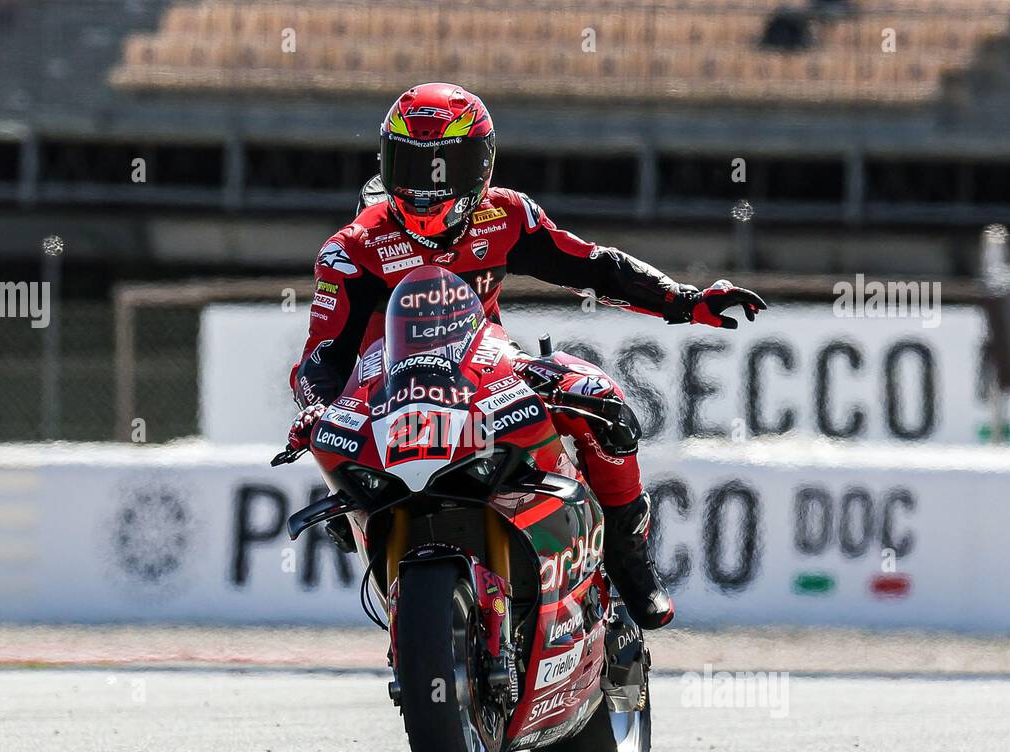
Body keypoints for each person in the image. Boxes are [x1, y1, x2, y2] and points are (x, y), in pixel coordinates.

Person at [287, 83, 766, 630]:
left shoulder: (507, 215)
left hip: (485, 372)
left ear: (481, 164)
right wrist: (315, 408)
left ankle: (629, 561)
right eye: (413, 166)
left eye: (445, 167)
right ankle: (370, 533)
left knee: (601, 403)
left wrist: (683, 300)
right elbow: (322, 357)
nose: (428, 187)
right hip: (386, 393)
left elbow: (593, 266)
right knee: (326, 437)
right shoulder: (351, 248)